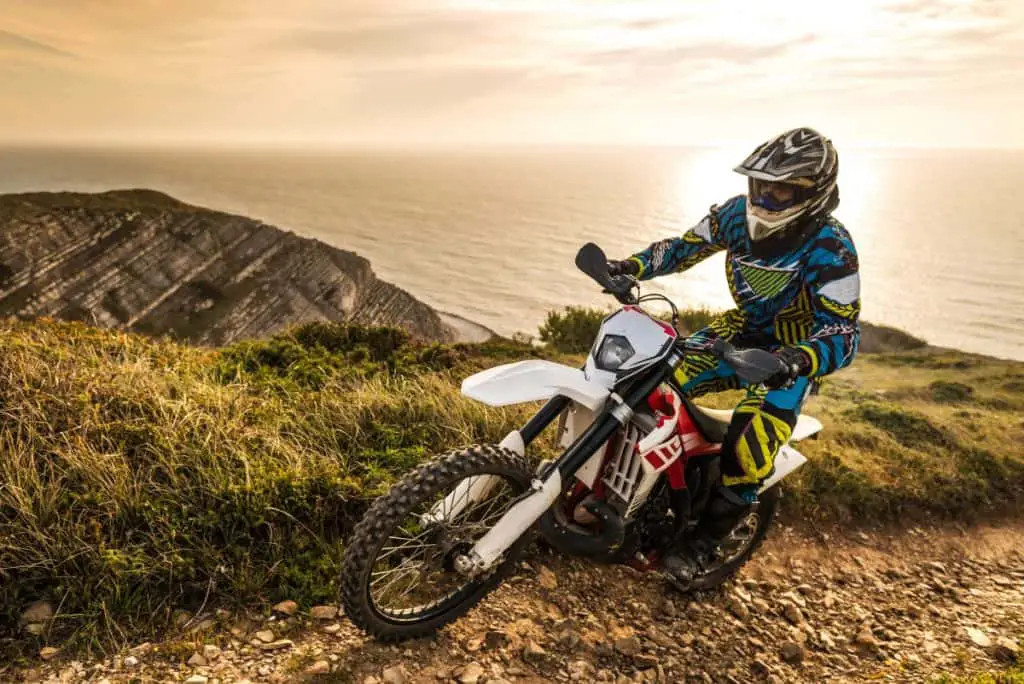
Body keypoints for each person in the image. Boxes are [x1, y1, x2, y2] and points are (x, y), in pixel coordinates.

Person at [607, 127, 861, 582]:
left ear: (812, 193)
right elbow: (684, 247)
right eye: (759, 184)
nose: (765, 196)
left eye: (780, 188)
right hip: (738, 332)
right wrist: (632, 265)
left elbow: (843, 332)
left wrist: (798, 361)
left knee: (748, 448)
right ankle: (636, 496)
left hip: (787, 359)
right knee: (645, 385)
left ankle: (701, 545)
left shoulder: (833, 246)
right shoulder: (733, 215)